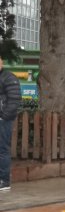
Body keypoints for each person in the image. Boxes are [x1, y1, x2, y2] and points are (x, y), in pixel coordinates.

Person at [0, 58, 22, 192]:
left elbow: (14, 100)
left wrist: (3, 117)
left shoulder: (8, 77)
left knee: (2, 149)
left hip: (3, 120)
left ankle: (4, 181)